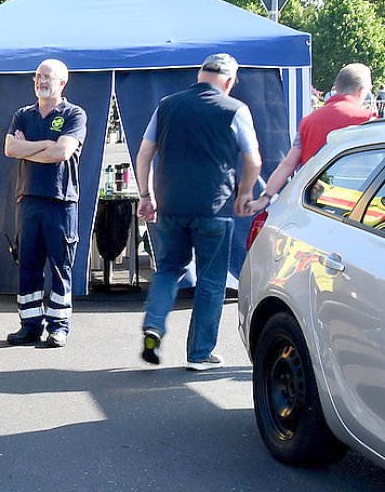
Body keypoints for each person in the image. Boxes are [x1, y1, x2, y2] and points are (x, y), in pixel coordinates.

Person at [133, 53, 261, 370]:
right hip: (213, 208)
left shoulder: (167, 105)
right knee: (211, 281)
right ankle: (200, 353)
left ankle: (154, 324)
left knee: (167, 269)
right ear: (229, 82)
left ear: (200, 75)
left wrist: (146, 195)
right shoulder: (235, 109)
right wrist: (245, 193)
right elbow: (254, 160)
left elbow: (144, 154)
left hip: (171, 205)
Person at [3, 59, 86, 347]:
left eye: (47, 77)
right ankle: (29, 325)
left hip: (60, 202)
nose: (40, 81)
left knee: (60, 266)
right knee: (28, 264)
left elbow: (62, 152)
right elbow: (10, 148)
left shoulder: (75, 114)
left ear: (63, 82)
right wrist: (45, 145)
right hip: (27, 200)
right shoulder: (23, 115)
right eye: (38, 76)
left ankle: (59, 326)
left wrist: (31, 148)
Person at [249, 63, 374, 211]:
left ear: (337, 88)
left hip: (314, 203)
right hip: (357, 204)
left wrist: (265, 198)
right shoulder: (368, 120)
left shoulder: (308, 121)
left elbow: (287, 164)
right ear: (361, 92)